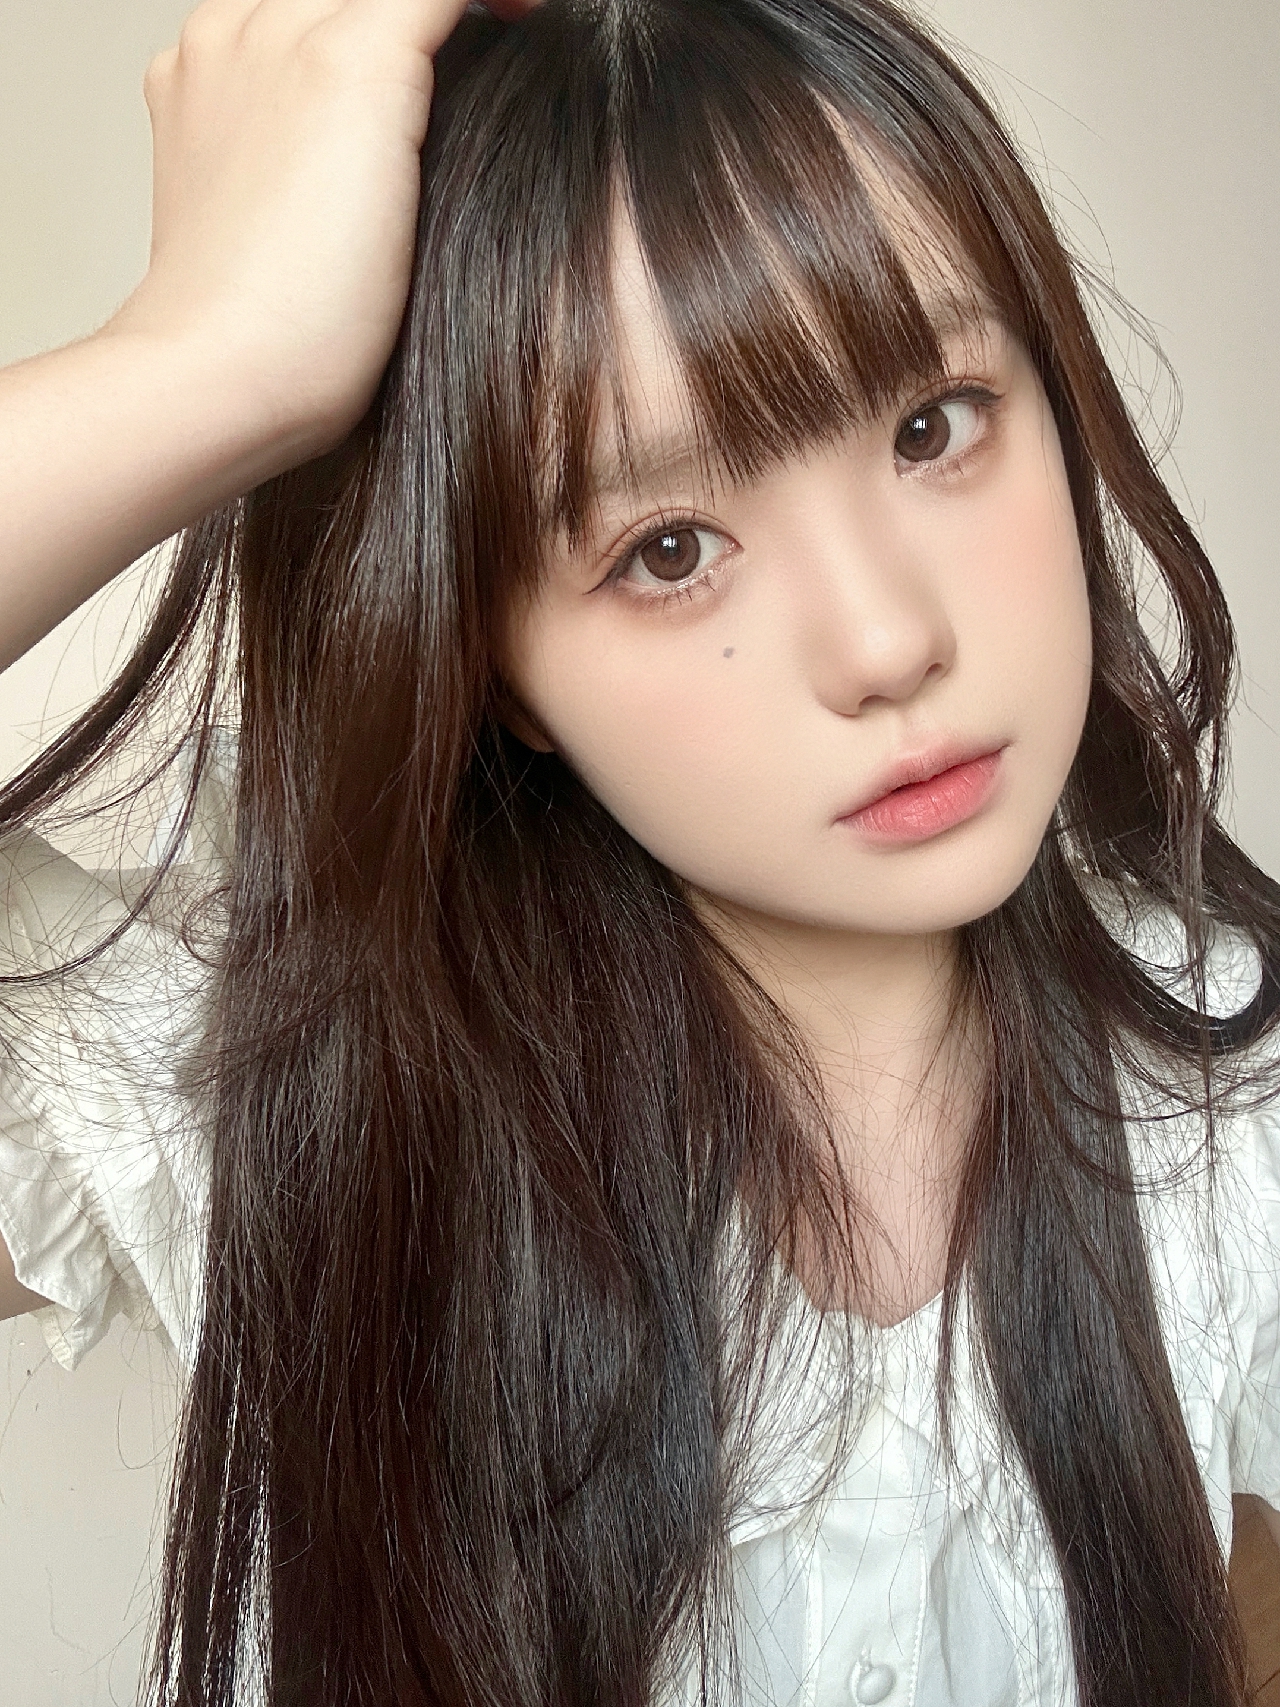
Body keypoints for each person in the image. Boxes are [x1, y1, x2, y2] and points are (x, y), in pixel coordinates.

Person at [0, 0, 1277, 1701]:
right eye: (669, 548)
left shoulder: (1231, 1080)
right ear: (498, 670)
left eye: (933, 425)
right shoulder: (295, 1076)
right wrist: (197, 365)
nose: (887, 641)